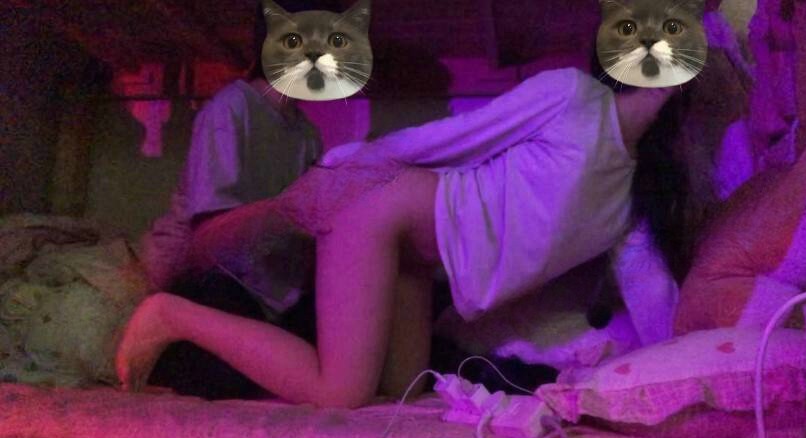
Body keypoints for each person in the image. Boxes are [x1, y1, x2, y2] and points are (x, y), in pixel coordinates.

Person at [120, 64, 678, 408]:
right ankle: (169, 316)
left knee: (404, 393)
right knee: (340, 392)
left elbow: (656, 302)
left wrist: (684, 369)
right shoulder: (573, 97)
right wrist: (347, 170)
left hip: (416, 256)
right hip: (382, 208)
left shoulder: (631, 202)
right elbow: (455, 136)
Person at [139, 0, 338, 398]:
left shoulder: (307, 136)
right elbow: (209, 240)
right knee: (223, 367)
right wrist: (285, 217)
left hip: (273, 290)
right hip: (214, 277)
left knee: (339, 332)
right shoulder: (232, 108)